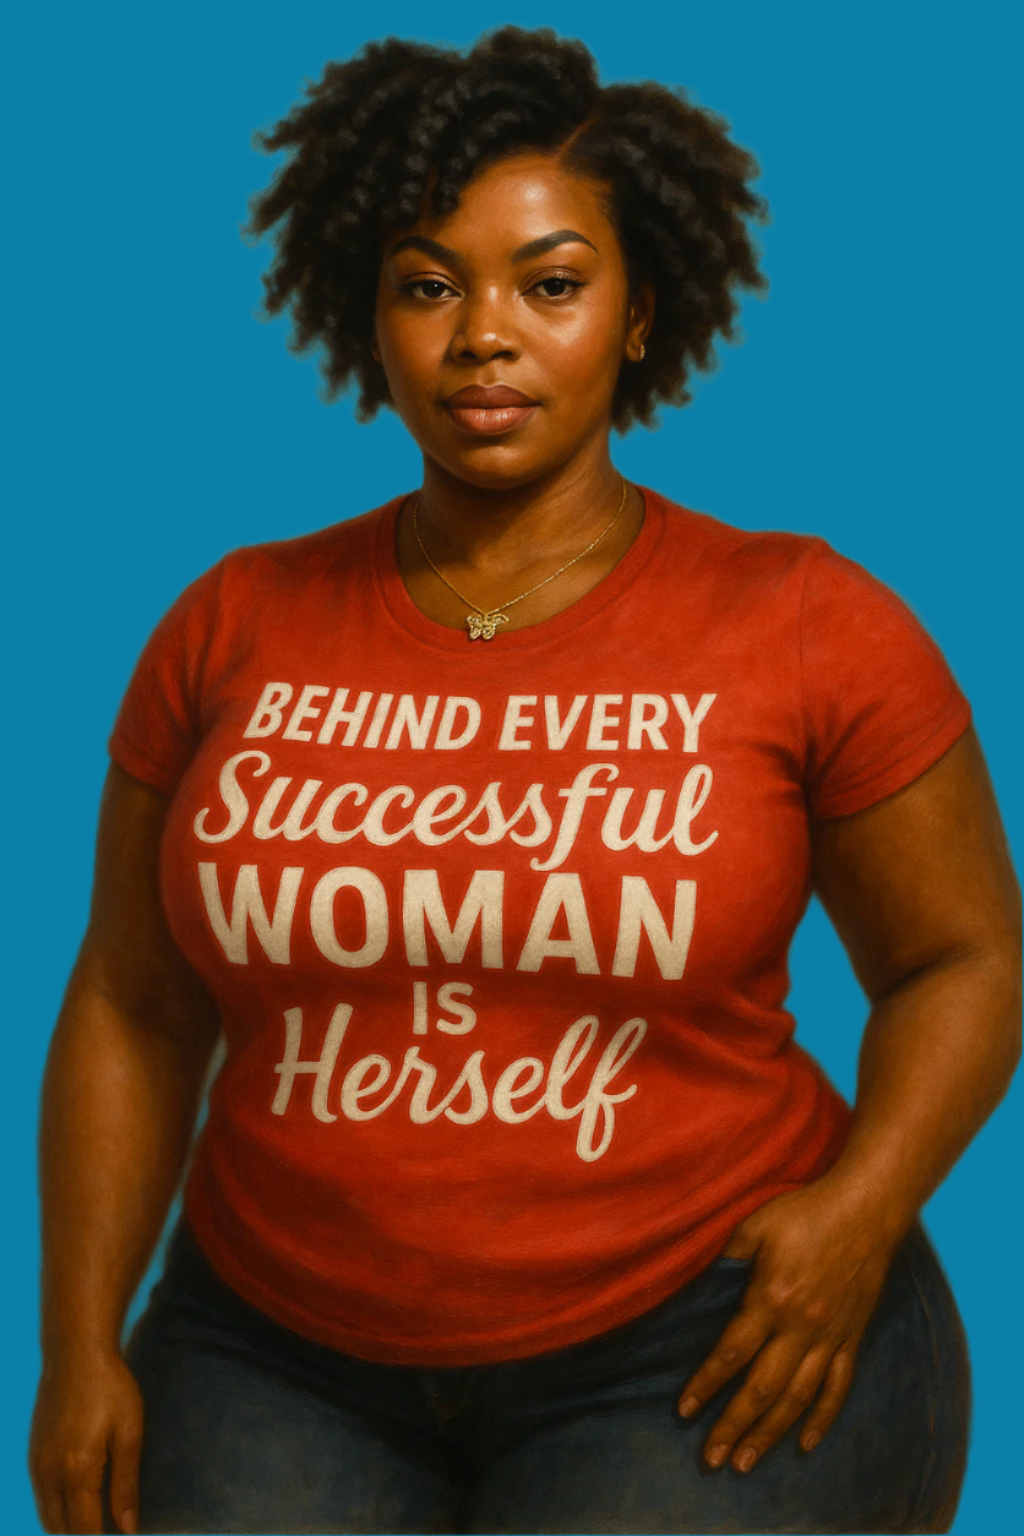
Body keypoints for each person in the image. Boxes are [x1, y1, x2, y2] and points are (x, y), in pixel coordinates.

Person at [29, 24, 1021, 1536]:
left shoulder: (812, 621)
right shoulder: (232, 619)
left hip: (705, 1329)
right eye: (431, 285)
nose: (484, 334)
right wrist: (77, 1346)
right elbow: (130, 1001)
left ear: (636, 316)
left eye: (550, 284)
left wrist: (860, 1214)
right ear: (367, 315)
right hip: (275, 1344)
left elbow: (965, 958)